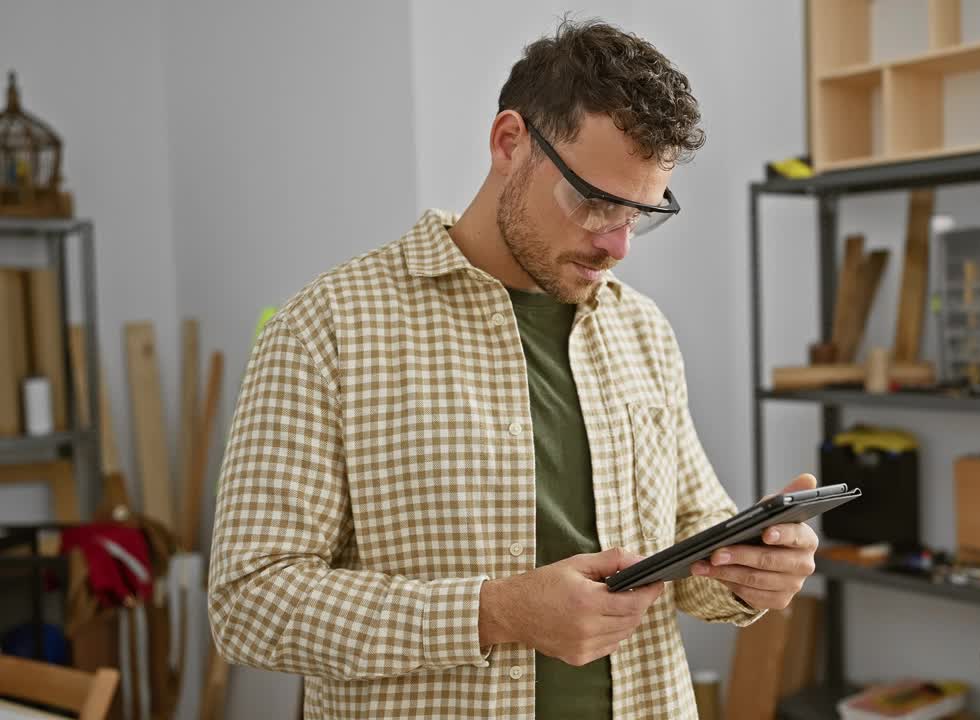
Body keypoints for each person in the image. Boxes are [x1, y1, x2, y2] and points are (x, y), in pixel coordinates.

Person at [208, 18, 819, 719]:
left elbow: (688, 541)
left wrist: (749, 572)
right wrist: (494, 612)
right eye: (594, 202)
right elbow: (249, 603)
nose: (618, 245)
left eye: (642, 214)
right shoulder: (327, 329)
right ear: (509, 143)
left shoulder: (641, 328)